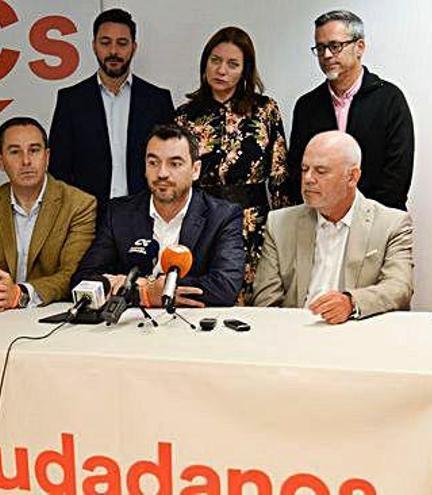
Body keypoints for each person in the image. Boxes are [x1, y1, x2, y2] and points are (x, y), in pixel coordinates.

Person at [174, 26, 292, 303]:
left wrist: (284, 229)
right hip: (204, 220)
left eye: (232, 64)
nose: (221, 70)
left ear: (245, 70)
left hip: (253, 221)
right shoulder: (185, 116)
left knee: (255, 299)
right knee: (204, 296)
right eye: (215, 60)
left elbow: (279, 174)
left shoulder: (265, 110)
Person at [71, 124, 245, 308]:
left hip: (190, 328)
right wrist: (143, 294)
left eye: (175, 164)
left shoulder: (222, 216)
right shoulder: (119, 213)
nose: (162, 173)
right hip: (127, 328)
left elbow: (225, 287)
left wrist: (147, 290)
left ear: (195, 170)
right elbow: (82, 281)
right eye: (153, 163)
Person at [252, 131, 413, 323]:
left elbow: (399, 287)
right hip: (294, 334)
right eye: (305, 169)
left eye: (321, 171)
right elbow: (266, 301)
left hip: (357, 332)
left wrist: (351, 303)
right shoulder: (280, 223)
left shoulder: (391, 224)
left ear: (352, 177)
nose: (308, 179)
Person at [0, 117, 97, 311]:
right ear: (1, 161)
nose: (26, 161)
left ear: (47, 156)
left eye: (34, 150)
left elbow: (72, 275)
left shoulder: (79, 204)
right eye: (15, 152)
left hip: (50, 319)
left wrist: (20, 294)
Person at [288, 10, 414, 210]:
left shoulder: (390, 99)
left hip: (379, 221)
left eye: (335, 46)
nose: (327, 55)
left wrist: (362, 220)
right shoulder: (307, 106)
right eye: (320, 48)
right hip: (321, 222)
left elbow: (398, 174)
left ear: (359, 47)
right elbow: (297, 171)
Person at [49, 8, 174, 206]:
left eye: (122, 43)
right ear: (94, 46)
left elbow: (170, 164)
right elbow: (58, 170)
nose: (113, 51)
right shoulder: (71, 100)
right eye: (105, 43)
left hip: (146, 213)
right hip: (87, 216)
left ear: (134, 47)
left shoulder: (158, 101)